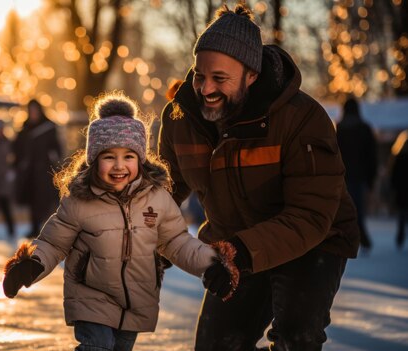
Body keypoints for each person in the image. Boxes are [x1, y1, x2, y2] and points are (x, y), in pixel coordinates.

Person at [157, 4, 360, 350]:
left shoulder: (302, 119)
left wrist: (239, 252)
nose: (205, 88)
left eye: (220, 79)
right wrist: (148, 243)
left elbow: (310, 214)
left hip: (313, 243)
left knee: (296, 337)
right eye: (199, 75)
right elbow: (164, 188)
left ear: (251, 75)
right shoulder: (181, 117)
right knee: (217, 345)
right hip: (234, 242)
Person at [2, 93, 233, 351]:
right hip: (91, 298)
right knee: (96, 347)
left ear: (141, 159)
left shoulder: (156, 197)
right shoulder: (81, 199)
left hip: (136, 304)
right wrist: (32, 263)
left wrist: (210, 264)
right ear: (94, 159)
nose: (119, 166)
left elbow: (177, 242)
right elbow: (53, 242)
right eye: (108, 156)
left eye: (129, 157)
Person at [13, 99, 62, 239]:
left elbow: (56, 147)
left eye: (35, 110)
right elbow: (17, 148)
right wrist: (19, 164)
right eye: (31, 110)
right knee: (33, 200)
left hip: (45, 171)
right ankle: (34, 227)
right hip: (29, 172)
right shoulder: (25, 129)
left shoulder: (48, 127)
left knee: (46, 200)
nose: (33, 113)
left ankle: (48, 228)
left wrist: (56, 161)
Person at [336, 97, 378, 253]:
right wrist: (371, 179)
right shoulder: (364, 128)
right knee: (358, 209)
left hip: (343, 177)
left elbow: (334, 154)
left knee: (346, 210)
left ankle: (354, 240)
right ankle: (361, 240)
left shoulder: (340, 128)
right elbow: (371, 156)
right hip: (359, 177)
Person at [390, 129, 408, 250]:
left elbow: (394, 176)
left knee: (402, 215)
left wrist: (394, 188)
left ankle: (400, 237)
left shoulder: (399, 158)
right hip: (403, 190)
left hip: (402, 191)